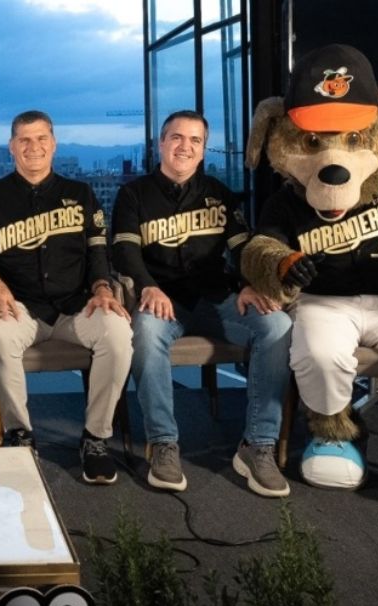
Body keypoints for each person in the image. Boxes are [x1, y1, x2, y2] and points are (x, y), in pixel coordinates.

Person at [111, 110, 293, 497]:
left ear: (204, 148)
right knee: (145, 333)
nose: (185, 146)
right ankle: (164, 443)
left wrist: (247, 284)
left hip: (216, 298)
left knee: (278, 326)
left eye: (195, 140)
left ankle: (258, 444)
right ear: (161, 143)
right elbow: (124, 251)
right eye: (177, 137)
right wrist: (147, 286)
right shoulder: (133, 194)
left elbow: (242, 248)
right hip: (163, 300)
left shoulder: (219, 193)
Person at [0, 110, 131, 485]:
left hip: (77, 306)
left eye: (41, 138)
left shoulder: (81, 194)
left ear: (53, 144)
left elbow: (98, 253)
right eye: (24, 140)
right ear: (11, 147)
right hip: (20, 307)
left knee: (118, 332)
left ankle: (96, 438)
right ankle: (19, 435)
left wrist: (102, 286)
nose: (33, 147)